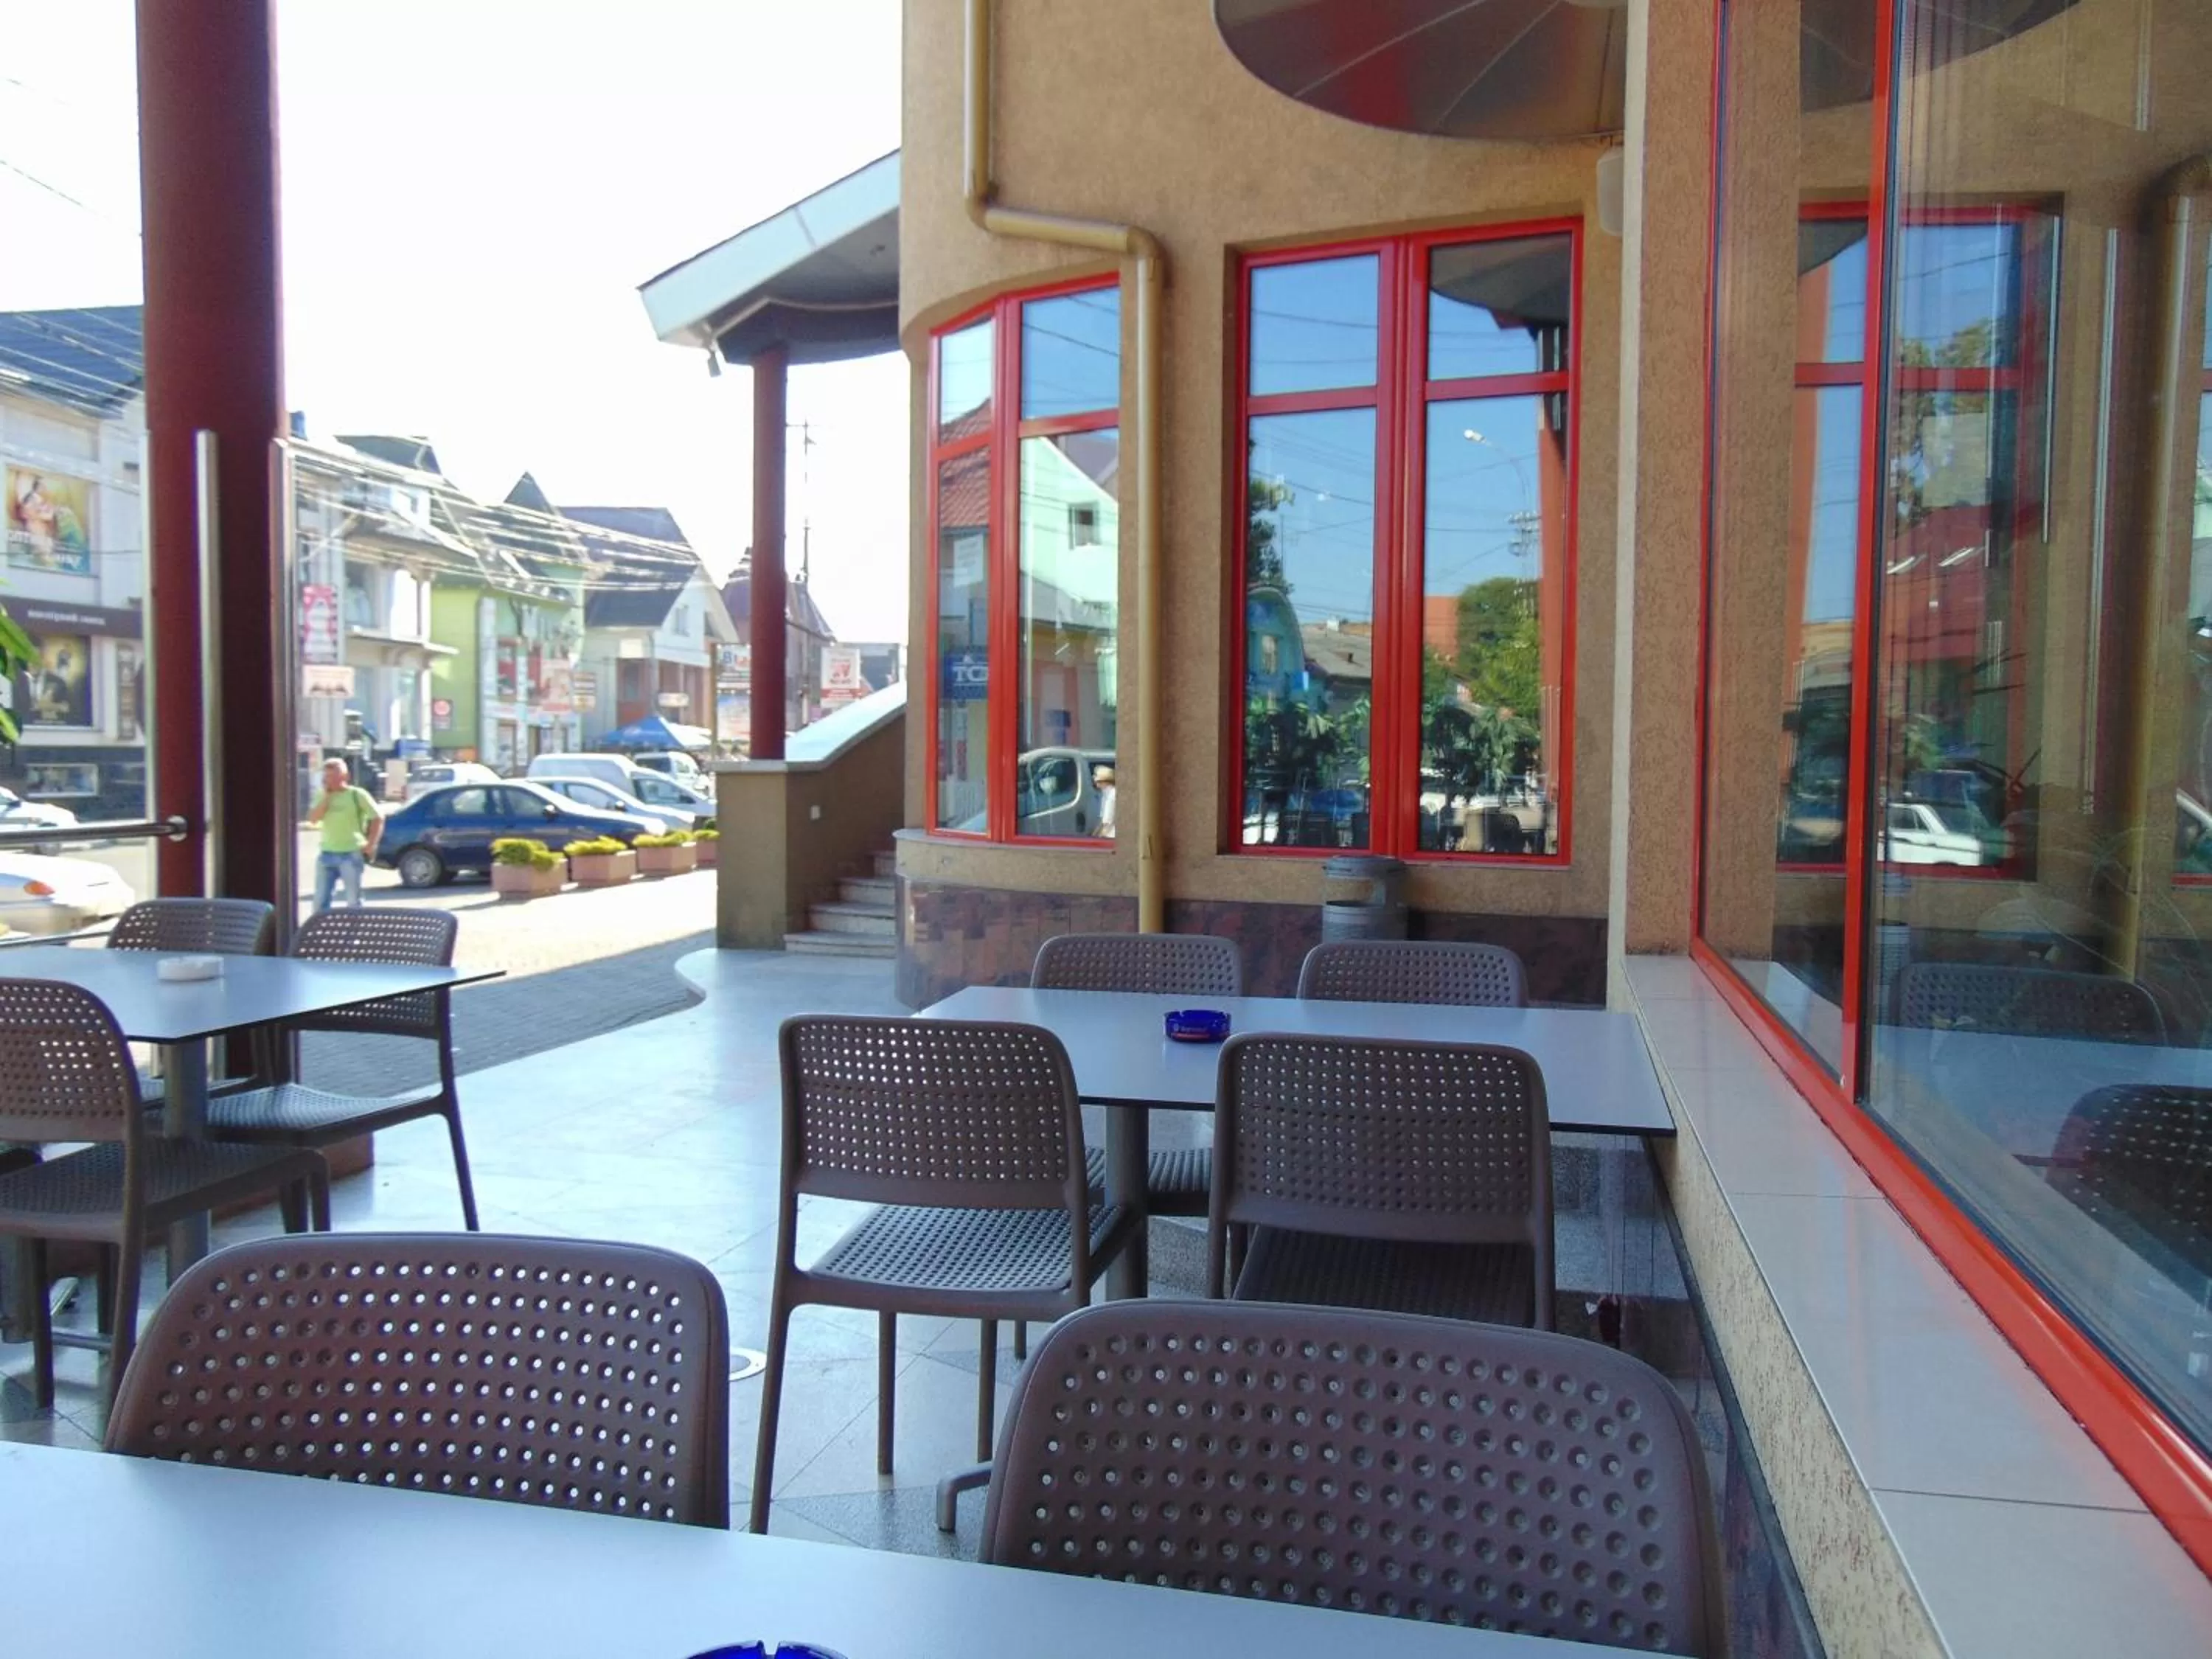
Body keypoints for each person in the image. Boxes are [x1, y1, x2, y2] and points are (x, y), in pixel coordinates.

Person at [306, 758, 382, 910]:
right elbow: (314, 819)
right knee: (320, 901)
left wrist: (371, 843)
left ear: (345, 777)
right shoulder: (322, 796)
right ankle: (321, 931)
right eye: (327, 776)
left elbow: (378, 818)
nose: (331, 780)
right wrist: (327, 797)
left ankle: (354, 931)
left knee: (354, 902)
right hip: (327, 854)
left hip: (351, 853)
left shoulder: (357, 795)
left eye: (335, 776)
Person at [1092, 763, 1116, 839]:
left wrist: (1100, 837)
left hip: (1110, 836)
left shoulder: (1111, 795)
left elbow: (1107, 822)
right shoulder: (1106, 794)